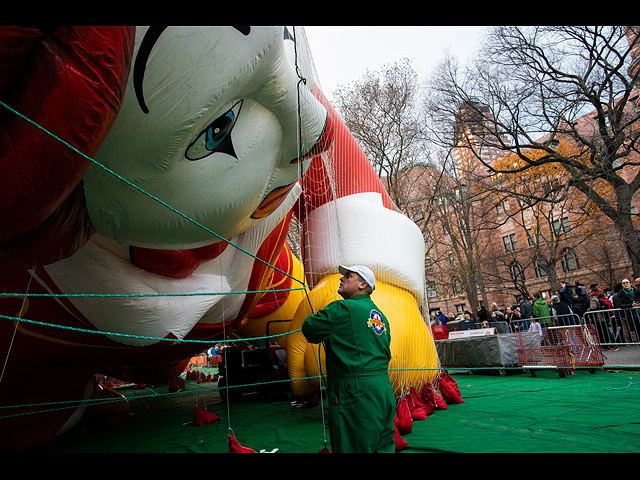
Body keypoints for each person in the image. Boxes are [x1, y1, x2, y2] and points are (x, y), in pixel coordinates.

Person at [302, 265, 395, 453]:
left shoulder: (342, 308)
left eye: (348, 276)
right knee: (382, 448)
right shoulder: (380, 316)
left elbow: (309, 329)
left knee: (351, 446)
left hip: (356, 393)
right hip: (383, 389)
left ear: (362, 284)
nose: (341, 278)